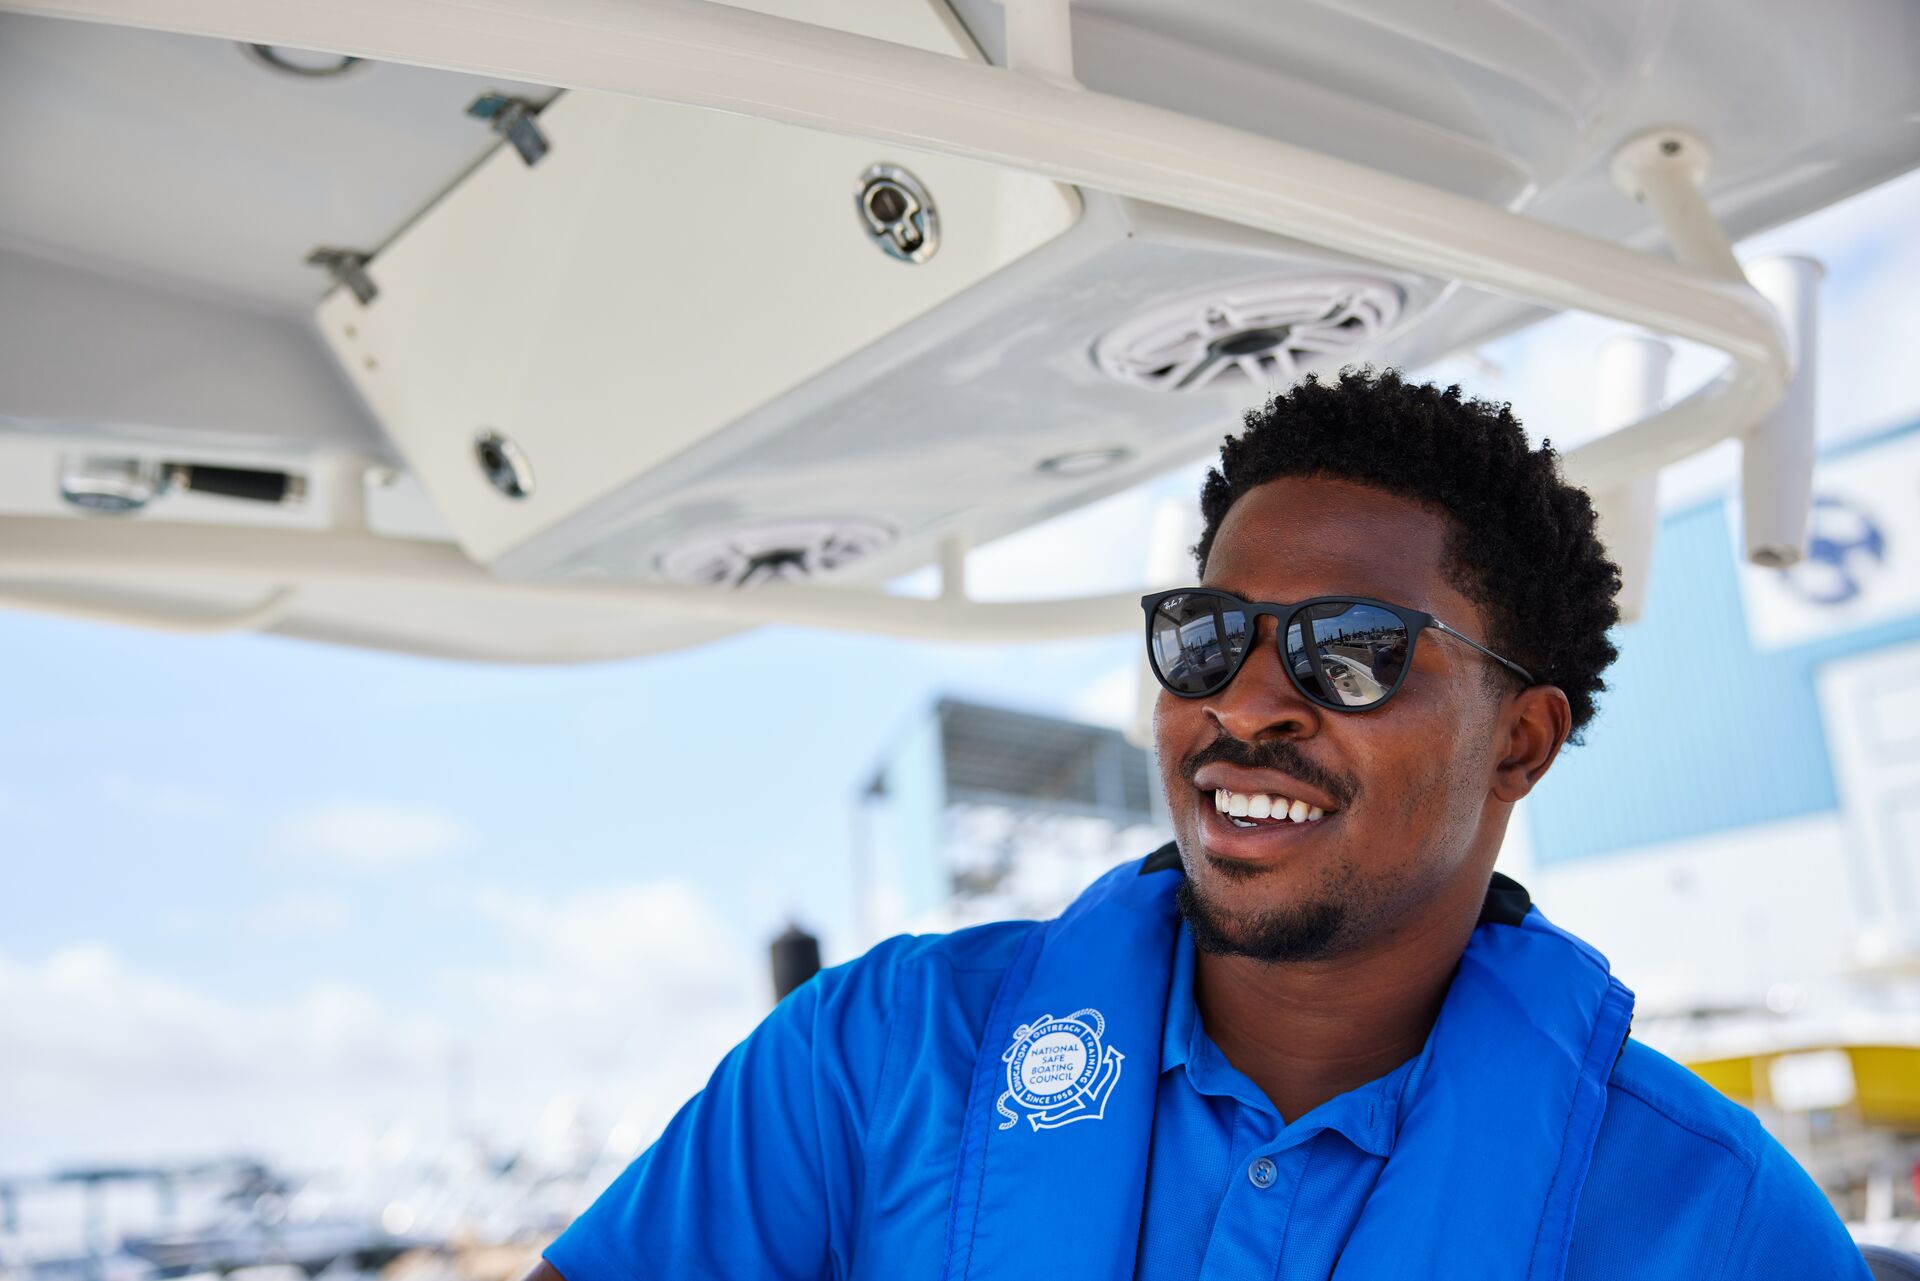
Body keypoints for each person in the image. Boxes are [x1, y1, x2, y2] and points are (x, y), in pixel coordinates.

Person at [527, 370, 1869, 1278]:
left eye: (1353, 650)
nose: (1247, 702)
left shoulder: (1717, 1219)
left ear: (1519, 741)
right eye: (1210, 635)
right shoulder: (871, 1062)